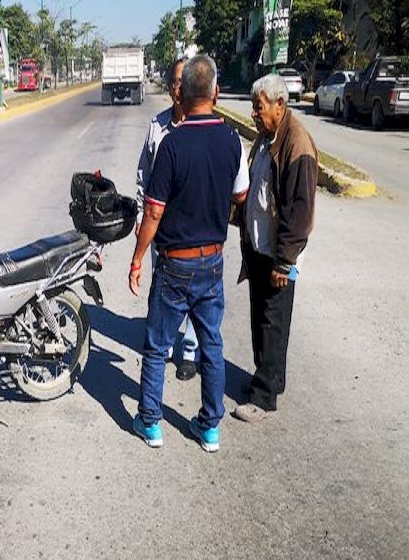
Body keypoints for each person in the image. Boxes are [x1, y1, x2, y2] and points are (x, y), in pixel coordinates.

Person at [129, 54, 249, 452]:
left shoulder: (172, 143)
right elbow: (240, 194)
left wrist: (136, 258)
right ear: (214, 92)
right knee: (211, 343)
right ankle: (209, 427)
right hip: (212, 260)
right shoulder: (232, 141)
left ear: (185, 91)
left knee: (157, 344)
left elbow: (153, 210)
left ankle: (151, 423)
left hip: (175, 263)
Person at [231, 73, 318, 423]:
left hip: (279, 254)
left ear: (279, 105)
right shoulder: (268, 137)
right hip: (259, 247)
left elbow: (301, 210)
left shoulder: (297, 143)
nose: (254, 113)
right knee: (260, 318)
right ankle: (266, 379)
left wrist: (285, 261)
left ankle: (265, 398)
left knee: (273, 321)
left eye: (259, 107)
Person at [135, 57, 199, 382]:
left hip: (195, 231)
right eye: (175, 81)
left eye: (185, 81)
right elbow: (143, 176)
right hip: (161, 228)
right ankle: (165, 341)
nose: (179, 88)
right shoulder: (157, 127)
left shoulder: (205, 129)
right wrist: (139, 215)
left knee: (193, 293)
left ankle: (189, 348)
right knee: (163, 286)